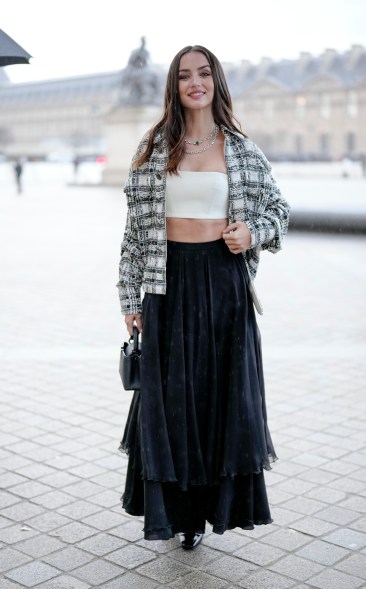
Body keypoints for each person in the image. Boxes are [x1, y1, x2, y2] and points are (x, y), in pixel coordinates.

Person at [117, 45, 290, 550]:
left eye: (204, 73)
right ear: (174, 86)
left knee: (218, 401)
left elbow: (279, 211)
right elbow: (133, 233)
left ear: (216, 81)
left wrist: (251, 233)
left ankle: (207, 511)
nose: (196, 82)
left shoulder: (240, 147)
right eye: (185, 75)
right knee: (173, 403)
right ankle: (180, 512)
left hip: (223, 284)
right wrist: (130, 298)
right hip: (167, 286)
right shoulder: (153, 147)